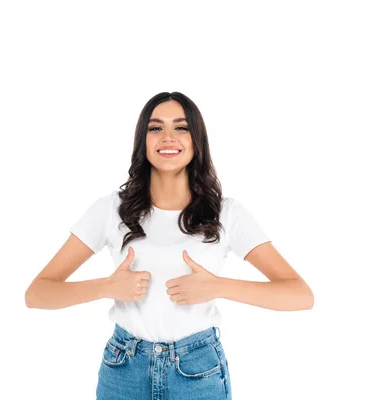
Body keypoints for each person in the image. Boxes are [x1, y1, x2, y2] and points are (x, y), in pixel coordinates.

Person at [25, 91, 314, 399]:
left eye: (181, 127)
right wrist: (107, 287)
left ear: (196, 139)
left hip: (197, 372)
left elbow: (299, 295)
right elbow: (37, 293)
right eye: (155, 128)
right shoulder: (111, 210)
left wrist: (216, 286)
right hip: (124, 370)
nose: (167, 137)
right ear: (143, 140)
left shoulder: (227, 213)